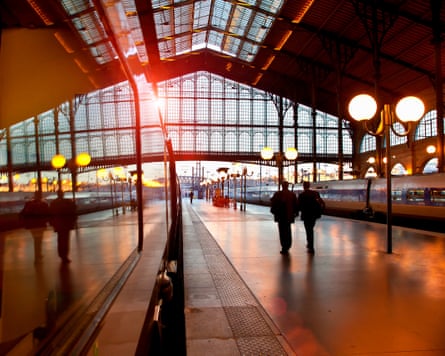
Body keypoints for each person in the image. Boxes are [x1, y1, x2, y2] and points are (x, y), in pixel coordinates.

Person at [20, 190, 50, 263]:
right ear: (41, 196)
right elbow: (48, 214)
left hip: (32, 226)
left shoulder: (29, 203)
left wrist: (25, 223)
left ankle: (38, 255)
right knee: (39, 240)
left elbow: (22, 213)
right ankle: (38, 256)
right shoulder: (44, 204)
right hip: (40, 225)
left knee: (36, 240)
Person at [270, 181, 299, 255]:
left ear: (282, 186)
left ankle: (284, 247)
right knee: (288, 231)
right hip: (289, 216)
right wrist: (295, 213)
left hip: (280, 216)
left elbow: (273, 203)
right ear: (288, 186)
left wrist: (274, 212)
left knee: (282, 232)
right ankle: (288, 245)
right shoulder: (292, 194)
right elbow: (296, 205)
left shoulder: (277, 194)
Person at [49, 190, 77, 263]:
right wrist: (73, 221)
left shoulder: (53, 203)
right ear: (63, 194)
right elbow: (73, 211)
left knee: (60, 240)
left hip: (58, 225)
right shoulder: (67, 202)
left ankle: (61, 255)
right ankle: (65, 256)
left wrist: (52, 223)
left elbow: (50, 214)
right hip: (66, 224)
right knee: (65, 240)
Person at [297, 181, 325, 254]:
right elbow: (322, 203)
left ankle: (310, 246)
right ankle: (310, 244)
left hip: (306, 215)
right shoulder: (315, 193)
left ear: (303, 186)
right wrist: (320, 211)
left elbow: (298, 206)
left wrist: (296, 212)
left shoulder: (302, 195)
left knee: (308, 230)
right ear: (309, 186)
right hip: (314, 215)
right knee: (310, 229)